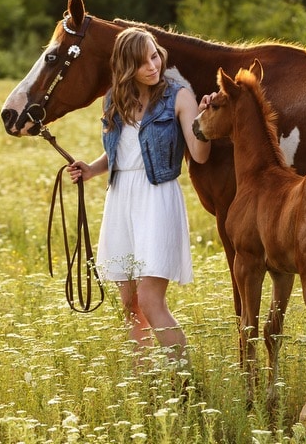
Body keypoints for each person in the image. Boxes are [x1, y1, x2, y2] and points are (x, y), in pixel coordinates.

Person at [67, 27, 215, 367]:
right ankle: (144, 383)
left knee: (150, 300)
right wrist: (90, 169)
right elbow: (122, 152)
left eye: (154, 56)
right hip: (121, 198)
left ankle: (183, 383)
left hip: (157, 198)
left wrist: (203, 125)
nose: (152, 66)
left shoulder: (179, 97)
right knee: (130, 303)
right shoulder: (113, 100)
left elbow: (200, 155)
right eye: (141, 62)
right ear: (125, 67)